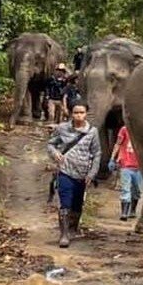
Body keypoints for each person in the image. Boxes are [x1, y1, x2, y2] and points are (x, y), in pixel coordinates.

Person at [47, 102, 101, 248]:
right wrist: (55, 153)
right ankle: (63, 234)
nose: (79, 115)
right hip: (65, 170)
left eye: (82, 112)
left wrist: (92, 173)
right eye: (76, 112)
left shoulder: (92, 132)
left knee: (77, 204)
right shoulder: (62, 128)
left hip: (83, 173)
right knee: (65, 202)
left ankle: (72, 229)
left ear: (86, 114)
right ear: (71, 113)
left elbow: (96, 153)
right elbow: (51, 144)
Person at [109, 124, 143, 221]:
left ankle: (132, 210)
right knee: (125, 190)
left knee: (137, 191)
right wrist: (113, 158)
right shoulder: (124, 129)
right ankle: (124, 213)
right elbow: (118, 144)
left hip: (139, 167)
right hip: (125, 164)